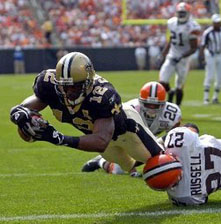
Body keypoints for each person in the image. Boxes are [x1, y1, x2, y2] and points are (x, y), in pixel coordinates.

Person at [9, 52, 163, 173]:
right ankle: (102, 163)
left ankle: (169, 139)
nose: (69, 92)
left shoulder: (103, 95)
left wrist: (60, 138)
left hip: (126, 131)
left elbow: (101, 141)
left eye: (75, 86)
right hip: (104, 145)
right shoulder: (49, 84)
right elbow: (29, 112)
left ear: (89, 82)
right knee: (126, 166)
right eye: (65, 86)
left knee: (161, 165)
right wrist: (20, 114)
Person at [82, 81, 182, 175]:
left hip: (154, 141)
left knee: (168, 148)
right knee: (118, 170)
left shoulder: (171, 113)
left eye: (155, 105)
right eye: (148, 104)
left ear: (163, 104)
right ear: (141, 101)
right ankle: (102, 161)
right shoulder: (130, 108)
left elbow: (174, 134)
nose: (151, 109)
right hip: (131, 141)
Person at [158, 2, 201, 106]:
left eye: (183, 13)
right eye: (180, 12)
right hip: (172, 55)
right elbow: (171, 39)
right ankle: (170, 92)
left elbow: (194, 48)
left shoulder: (192, 26)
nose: (181, 15)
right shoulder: (172, 22)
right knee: (162, 81)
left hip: (183, 59)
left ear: (188, 13)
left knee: (179, 86)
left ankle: (177, 108)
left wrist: (181, 56)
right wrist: (164, 53)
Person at [199, 14, 221, 105]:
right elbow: (203, 46)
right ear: (213, 23)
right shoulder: (208, 32)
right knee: (209, 75)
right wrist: (202, 57)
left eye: (219, 22)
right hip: (210, 55)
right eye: (216, 22)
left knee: (220, 77)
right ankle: (206, 98)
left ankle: (215, 97)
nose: (218, 24)